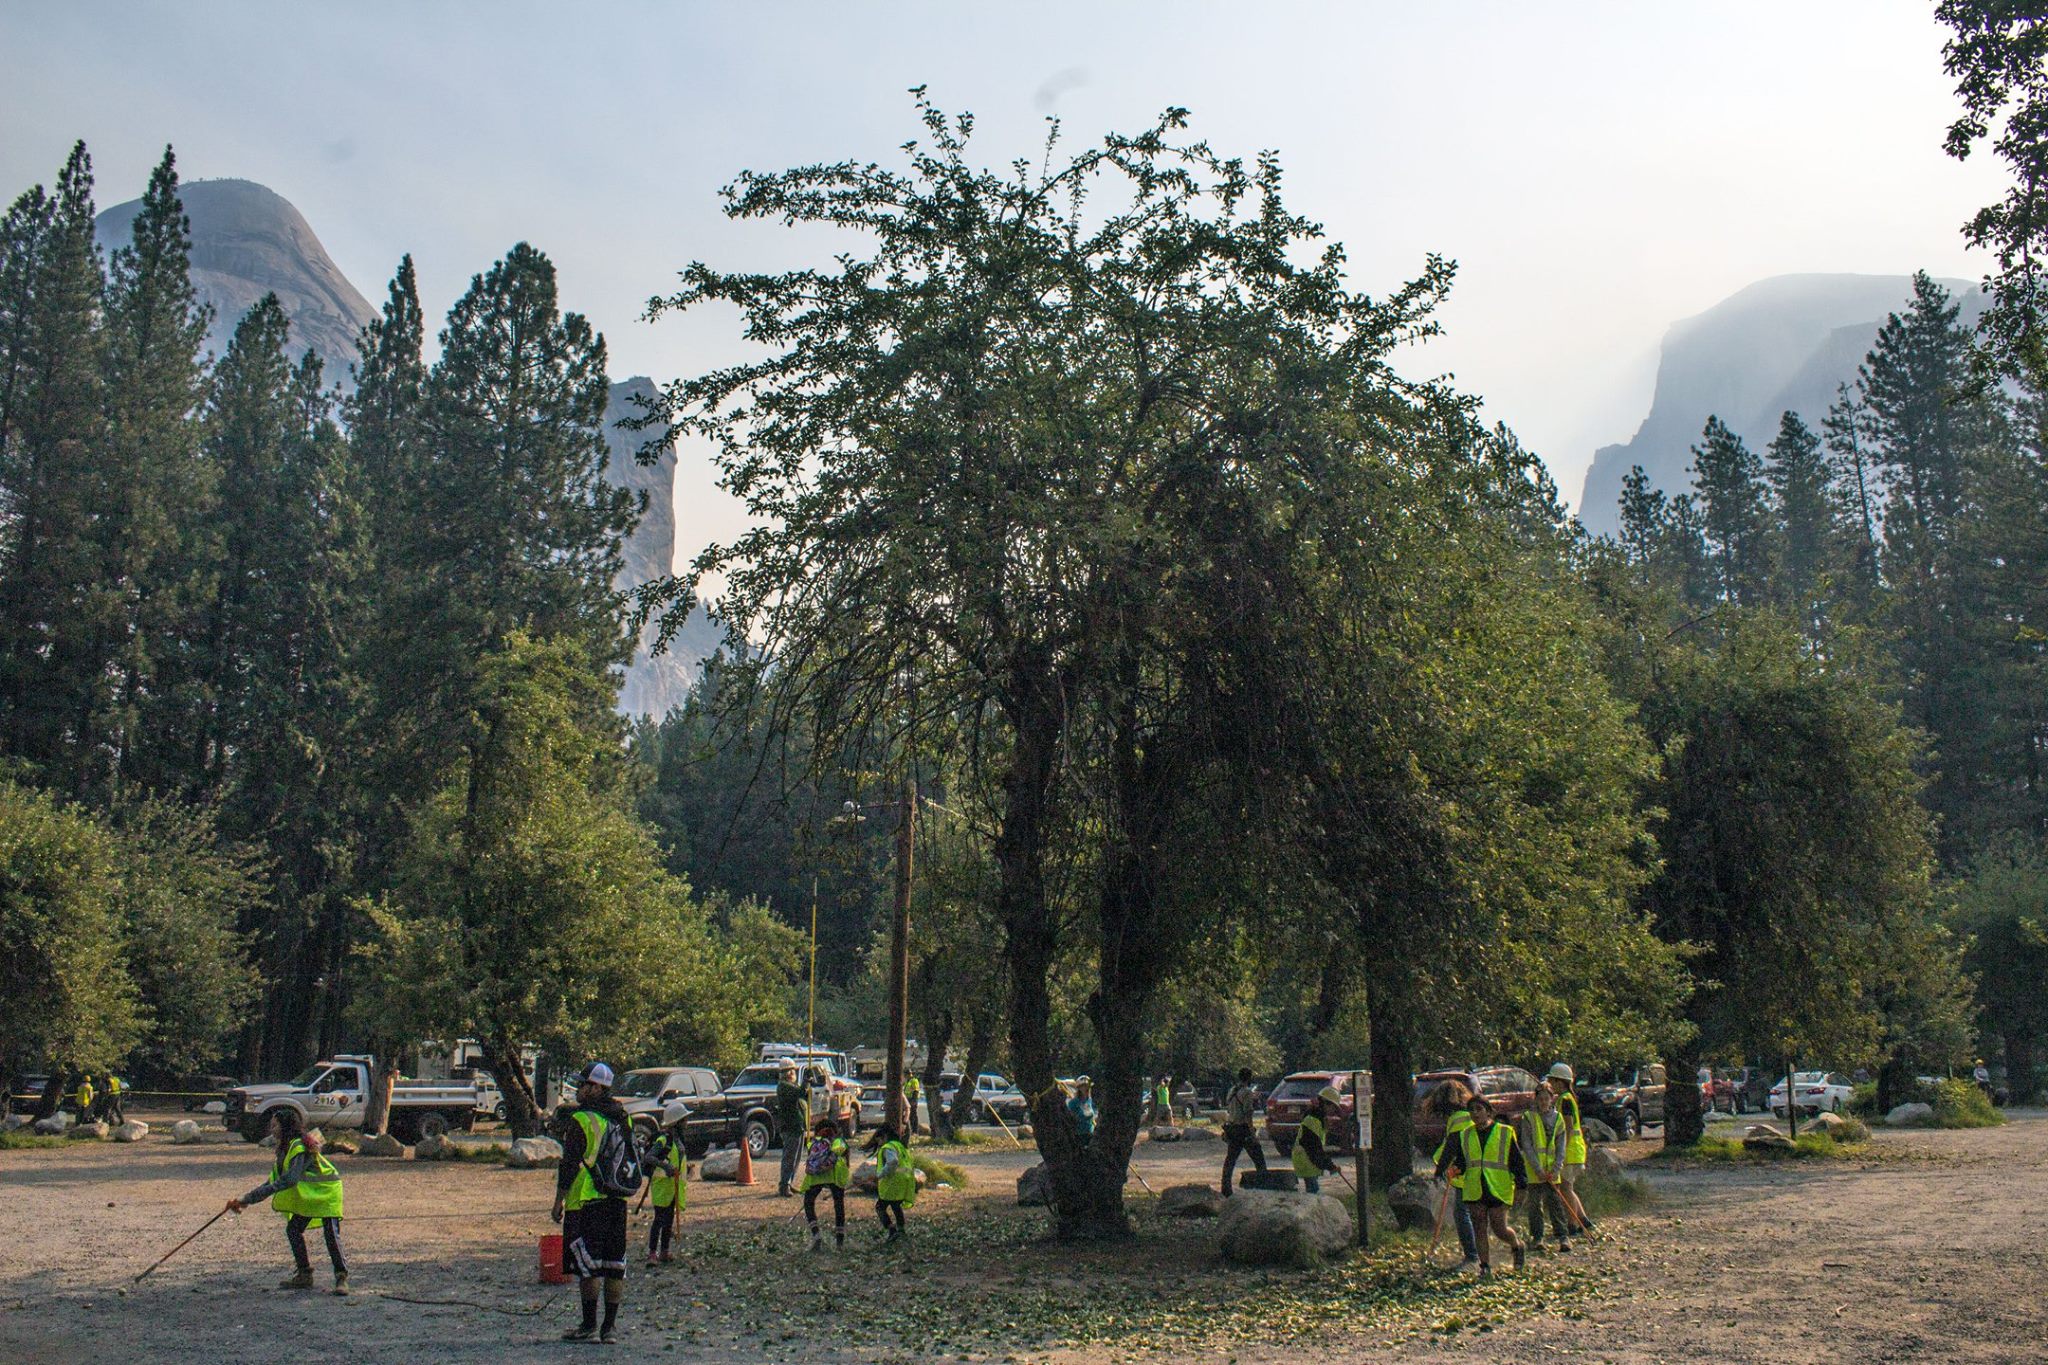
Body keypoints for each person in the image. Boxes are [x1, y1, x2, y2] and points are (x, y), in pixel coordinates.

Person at [224, 1108, 348, 1294]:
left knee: (331, 1234)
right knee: (293, 1230)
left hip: (327, 1192)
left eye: (275, 1125)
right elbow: (273, 1181)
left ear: (285, 1127)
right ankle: (304, 1275)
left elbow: (289, 1180)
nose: (271, 1129)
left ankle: (341, 1278)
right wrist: (246, 1199)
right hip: (310, 1195)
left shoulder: (300, 1147)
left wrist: (248, 1199)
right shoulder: (286, 1149)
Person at [553, 1062, 630, 1343]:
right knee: (614, 1264)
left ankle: (588, 1324)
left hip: (586, 1199)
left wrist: (558, 1201)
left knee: (589, 1266)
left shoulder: (582, 1120)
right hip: (617, 1198)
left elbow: (569, 1165)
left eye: (583, 1085)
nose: (578, 1089)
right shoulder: (624, 1117)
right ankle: (609, 1329)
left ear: (597, 1088)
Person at [1433, 1094, 1527, 1278]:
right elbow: (1463, 1160)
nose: (1475, 1114)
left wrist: (1522, 1185)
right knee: (1479, 1225)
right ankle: (1484, 1266)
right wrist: (1455, 1170)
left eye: (1479, 1109)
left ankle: (1517, 1245)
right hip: (1475, 1187)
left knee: (1499, 1227)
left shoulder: (1505, 1132)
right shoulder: (1465, 1134)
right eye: (1472, 1110)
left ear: (1488, 1111)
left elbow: (1517, 1161)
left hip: (1498, 1187)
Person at [1424, 1079, 1480, 1271]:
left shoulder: (1457, 1119)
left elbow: (1452, 1146)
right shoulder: (1471, 1115)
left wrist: (1439, 1170)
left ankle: (1472, 1257)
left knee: (1461, 1213)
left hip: (1464, 1172)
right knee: (1476, 1213)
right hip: (1479, 1170)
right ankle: (1481, 1254)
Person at [1517, 1083, 1573, 1253]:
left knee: (1555, 1203)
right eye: (1540, 1098)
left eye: (1546, 1098)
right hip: (1535, 1171)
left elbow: (1561, 1145)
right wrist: (1538, 1169)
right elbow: (1526, 1144)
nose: (1543, 1101)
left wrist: (1556, 1167)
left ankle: (1563, 1237)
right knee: (1534, 1205)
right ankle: (1538, 1238)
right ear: (1536, 1099)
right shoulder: (1528, 1117)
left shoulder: (1558, 1119)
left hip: (1552, 1171)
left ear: (1551, 1099)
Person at [1547, 1064, 1595, 1234]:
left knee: (1566, 1189)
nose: (1550, 1084)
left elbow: (1567, 1128)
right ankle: (1584, 1221)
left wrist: (1561, 1151)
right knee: (1569, 1188)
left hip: (1570, 1151)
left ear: (1560, 1082)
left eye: (1552, 1080)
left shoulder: (1565, 1100)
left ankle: (1573, 1224)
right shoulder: (1566, 1098)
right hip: (1575, 1150)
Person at [644, 1101, 688, 1268]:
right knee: (659, 1219)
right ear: (677, 1122)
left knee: (668, 1219)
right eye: (684, 1120)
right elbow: (649, 1157)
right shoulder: (664, 1140)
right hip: (662, 1186)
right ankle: (652, 1253)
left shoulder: (678, 1140)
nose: (687, 1123)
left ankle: (664, 1250)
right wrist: (666, 1166)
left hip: (673, 1187)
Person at [798, 1115, 849, 1251]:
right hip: (836, 1174)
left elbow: (811, 1157)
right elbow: (845, 1157)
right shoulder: (839, 1142)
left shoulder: (816, 1142)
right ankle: (839, 1242)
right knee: (839, 1206)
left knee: (809, 1202)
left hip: (817, 1176)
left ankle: (816, 1235)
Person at [1220, 1068, 1267, 1195]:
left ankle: (1226, 1189)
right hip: (1243, 1130)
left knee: (1230, 1160)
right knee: (1259, 1160)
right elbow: (1248, 1115)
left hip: (1232, 1129)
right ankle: (1265, 1186)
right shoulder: (1246, 1093)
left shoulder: (1232, 1091)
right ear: (1249, 1078)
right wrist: (1253, 1134)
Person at [871, 1119, 915, 1245]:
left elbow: (893, 1162)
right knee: (896, 1206)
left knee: (880, 1207)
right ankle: (901, 1230)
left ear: (884, 1137)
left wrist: (880, 1174)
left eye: (878, 1140)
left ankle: (891, 1230)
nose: (878, 1144)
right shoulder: (900, 1146)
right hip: (904, 1181)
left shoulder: (888, 1147)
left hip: (892, 1182)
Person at [1289, 1086, 1341, 1194]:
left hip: (1308, 1159)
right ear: (1326, 1103)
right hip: (1306, 1160)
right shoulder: (1313, 1120)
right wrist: (1330, 1166)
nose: (1334, 1110)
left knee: (1312, 1191)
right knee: (1313, 1192)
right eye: (1334, 1107)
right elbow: (1315, 1148)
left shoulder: (1317, 1118)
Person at [774, 1063, 808, 1197]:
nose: (793, 1073)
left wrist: (807, 1083)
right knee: (789, 1157)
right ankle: (784, 1185)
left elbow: (803, 1094)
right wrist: (805, 1082)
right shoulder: (784, 1086)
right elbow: (800, 1092)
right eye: (792, 1071)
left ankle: (789, 1182)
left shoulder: (790, 1086)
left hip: (797, 1126)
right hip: (790, 1126)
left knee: (796, 1157)